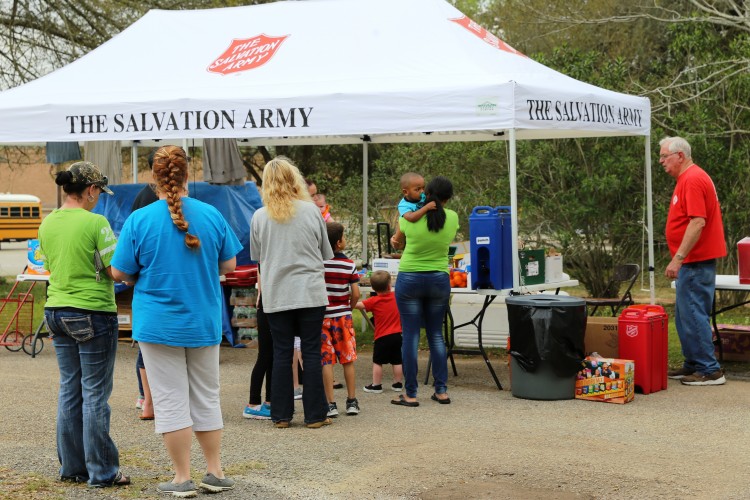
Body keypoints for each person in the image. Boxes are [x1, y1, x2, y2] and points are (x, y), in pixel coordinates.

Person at [111, 145, 243, 496]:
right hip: (202, 320)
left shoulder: (139, 220)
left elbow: (121, 272)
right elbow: (229, 266)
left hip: (157, 324)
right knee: (206, 395)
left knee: (170, 399)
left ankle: (182, 478)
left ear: (154, 178)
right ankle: (214, 471)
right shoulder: (212, 215)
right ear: (187, 175)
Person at [38, 161, 130, 488]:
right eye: (99, 193)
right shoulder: (96, 222)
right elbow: (115, 271)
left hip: (55, 311)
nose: (99, 199)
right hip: (92, 312)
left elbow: (49, 265)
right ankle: (103, 472)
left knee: (69, 389)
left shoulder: (47, 223)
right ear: (90, 190)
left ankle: (72, 467)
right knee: (95, 394)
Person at [251, 157, 334, 429]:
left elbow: (258, 258)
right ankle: (315, 415)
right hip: (309, 291)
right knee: (311, 351)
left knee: (281, 353)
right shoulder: (311, 211)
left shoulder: (259, 217)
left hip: (277, 294)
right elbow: (325, 253)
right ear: (294, 179)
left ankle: (281, 416)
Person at [660, 136, 727, 386]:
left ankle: (709, 370)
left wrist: (678, 257)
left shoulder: (693, 179)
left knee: (693, 313)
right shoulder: (687, 178)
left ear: (680, 155)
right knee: (685, 314)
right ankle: (693, 363)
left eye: (664, 156)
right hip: (693, 261)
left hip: (696, 260)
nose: (661, 161)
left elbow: (698, 221)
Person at [390, 176, 458, 406]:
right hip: (439, 279)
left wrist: (397, 239)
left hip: (410, 278)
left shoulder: (407, 216)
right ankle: (441, 391)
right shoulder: (453, 218)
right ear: (448, 197)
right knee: (436, 335)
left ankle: (410, 393)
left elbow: (397, 242)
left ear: (426, 192)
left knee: (409, 336)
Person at [321, 221, 361, 417]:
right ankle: (352, 400)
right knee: (347, 359)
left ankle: (330, 404)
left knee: (326, 361)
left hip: (322, 317)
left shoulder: (318, 264)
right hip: (342, 316)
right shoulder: (349, 265)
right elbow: (356, 294)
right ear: (338, 243)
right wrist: (349, 308)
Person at [131, 147, 159, 421]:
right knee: (146, 346)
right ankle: (145, 395)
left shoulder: (142, 198)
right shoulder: (146, 199)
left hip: (147, 287)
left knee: (147, 343)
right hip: (151, 286)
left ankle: (147, 397)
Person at [354, 270, 404, 394]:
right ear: (389, 285)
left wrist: (349, 300)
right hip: (397, 335)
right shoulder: (396, 296)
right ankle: (398, 383)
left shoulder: (374, 301)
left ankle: (376, 385)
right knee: (397, 360)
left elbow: (359, 305)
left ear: (373, 288)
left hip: (382, 337)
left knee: (378, 362)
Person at [243, 292, 273, 420]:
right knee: (265, 357)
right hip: (267, 307)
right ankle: (253, 403)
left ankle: (270, 401)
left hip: (271, 306)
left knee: (273, 357)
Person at [390, 172, 437, 250]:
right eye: (417, 189)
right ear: (406, 192)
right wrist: (426, 208)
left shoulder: (423, 197)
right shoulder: (404, 205)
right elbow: (411, 217)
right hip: (410, 236)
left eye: (423, 188)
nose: (422, 191)